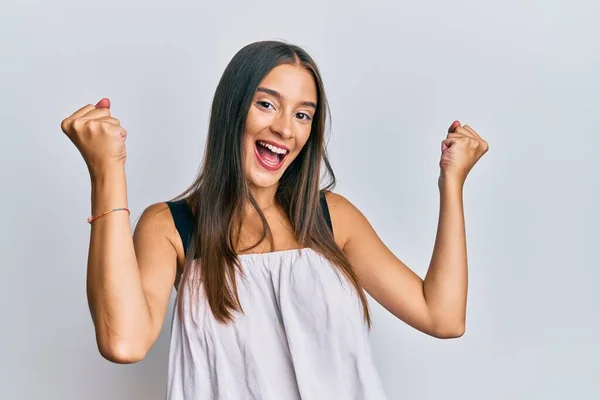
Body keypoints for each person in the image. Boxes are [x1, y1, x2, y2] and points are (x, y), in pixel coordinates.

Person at [60, 40, 488, 399]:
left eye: (302, 114)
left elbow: (442, 317)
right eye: (267, 104)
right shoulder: (172, 227)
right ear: (233, 110)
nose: (286, 128)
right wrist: (106, 171)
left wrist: (452, 183)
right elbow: (123, 341)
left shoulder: (331, 218)